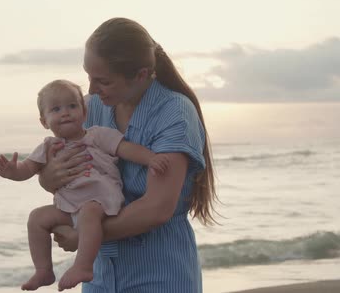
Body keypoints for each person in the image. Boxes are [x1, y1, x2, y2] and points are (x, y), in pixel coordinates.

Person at [38, 17, 217, 293]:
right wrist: (47, 178)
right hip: (99, 274)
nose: (91, 90)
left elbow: (157, 208)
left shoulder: (174, 113)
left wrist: (82, 237)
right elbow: (61, 169)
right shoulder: (91, 108)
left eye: (103, 81)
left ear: (141, 75)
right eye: (88, 76)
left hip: (159, 272)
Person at [0, 79, 170, 291]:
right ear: (44, 121)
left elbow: (125, 149)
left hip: (101, 201)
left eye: (72, 106)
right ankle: (44, 270)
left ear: (84, 112)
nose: (65, 113)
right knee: (37, 218)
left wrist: (150, 158)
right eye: (56, 109)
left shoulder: (97, 135)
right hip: (69, 207)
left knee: (89, 213)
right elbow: (28, 169)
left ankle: (83, 266)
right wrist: (12, 172)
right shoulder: (47, 146)